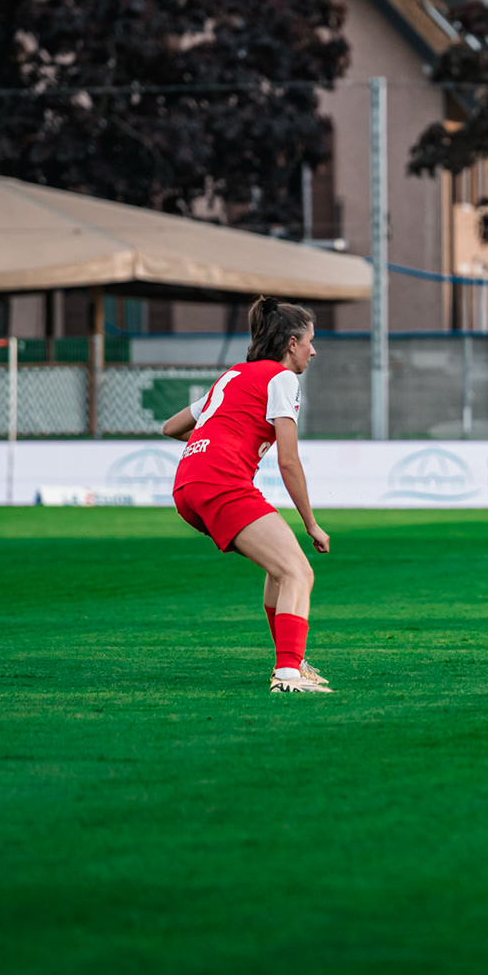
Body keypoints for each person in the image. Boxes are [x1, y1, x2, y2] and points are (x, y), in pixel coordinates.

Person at [161, 297, 332, 694]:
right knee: (298, 572)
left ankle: (293, 662)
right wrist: (312, 524)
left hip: (188, 485)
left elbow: (172, 427)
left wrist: (220, 436)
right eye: (310, 340)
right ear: (292, 343)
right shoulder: (283, 379)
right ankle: (288, 674)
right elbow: (289, 461)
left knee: (279, 569)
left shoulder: (233, 376)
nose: (313, 349)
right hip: (222, 483)